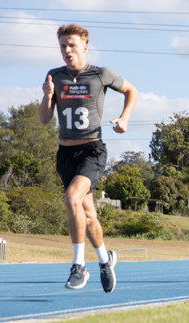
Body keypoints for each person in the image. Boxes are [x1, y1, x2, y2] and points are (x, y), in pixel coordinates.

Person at [39, 24, 137, 292]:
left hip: (92, 150)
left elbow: (131, 91)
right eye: (62, 46)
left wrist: (124, 119)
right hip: (65, 153)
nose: (67, 51)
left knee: (72, 198)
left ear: (85, 46)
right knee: (88, 214)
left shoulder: (101, 74)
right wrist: (48, 97)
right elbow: (45, 119)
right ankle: (106, 260)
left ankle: (79, 266)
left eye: (72, 45)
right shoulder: (54, 76)